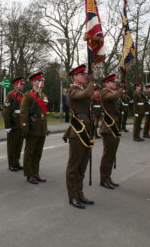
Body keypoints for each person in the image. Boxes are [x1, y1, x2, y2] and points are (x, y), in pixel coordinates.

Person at [63, 64, 94, 209]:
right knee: (74, 166)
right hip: (77, 131)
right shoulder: (72, 90)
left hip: (87, 129)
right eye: (81, 74)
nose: (84, 76)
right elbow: (86, 95)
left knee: (82, 165)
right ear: (74, 77)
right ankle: (73, 196)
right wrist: (92, 82)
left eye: (84, 73)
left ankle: (80, 194)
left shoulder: (82, 88)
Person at [20, 72, 48, 184]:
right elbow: (23, 114)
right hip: (32, 128)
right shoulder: (27, 96)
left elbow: (44, 113)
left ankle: (36, 173)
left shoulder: (44, 96)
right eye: (38, 80)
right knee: (29, 152)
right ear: (33, 82)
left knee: (38, 153)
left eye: (42, 80)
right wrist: (25, 129)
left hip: (41, 128)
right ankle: (29, 174)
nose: (41, 82)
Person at [99, 74, 123, 189]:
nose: (115, 83)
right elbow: (113, 98)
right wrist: (121, 89)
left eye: (115, 82)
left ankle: (107, 177)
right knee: (108, 155)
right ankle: (104, 179)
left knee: (112, 154)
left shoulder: (112, 93)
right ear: (106, 83)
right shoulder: (104, 92)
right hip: (108, 128)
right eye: (112, 82)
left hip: (114, 126)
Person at [3, 76, 25, 172]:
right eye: (21, 84)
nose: (23, 86)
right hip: (13, 124)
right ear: (15, 85)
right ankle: (11, 164)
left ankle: (16, 162)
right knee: (12, 146)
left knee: (19, 145)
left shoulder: (23, 95)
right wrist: (7, 126)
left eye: (23, 84)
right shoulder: (10, 95)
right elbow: (6, 112)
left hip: (21, 124)